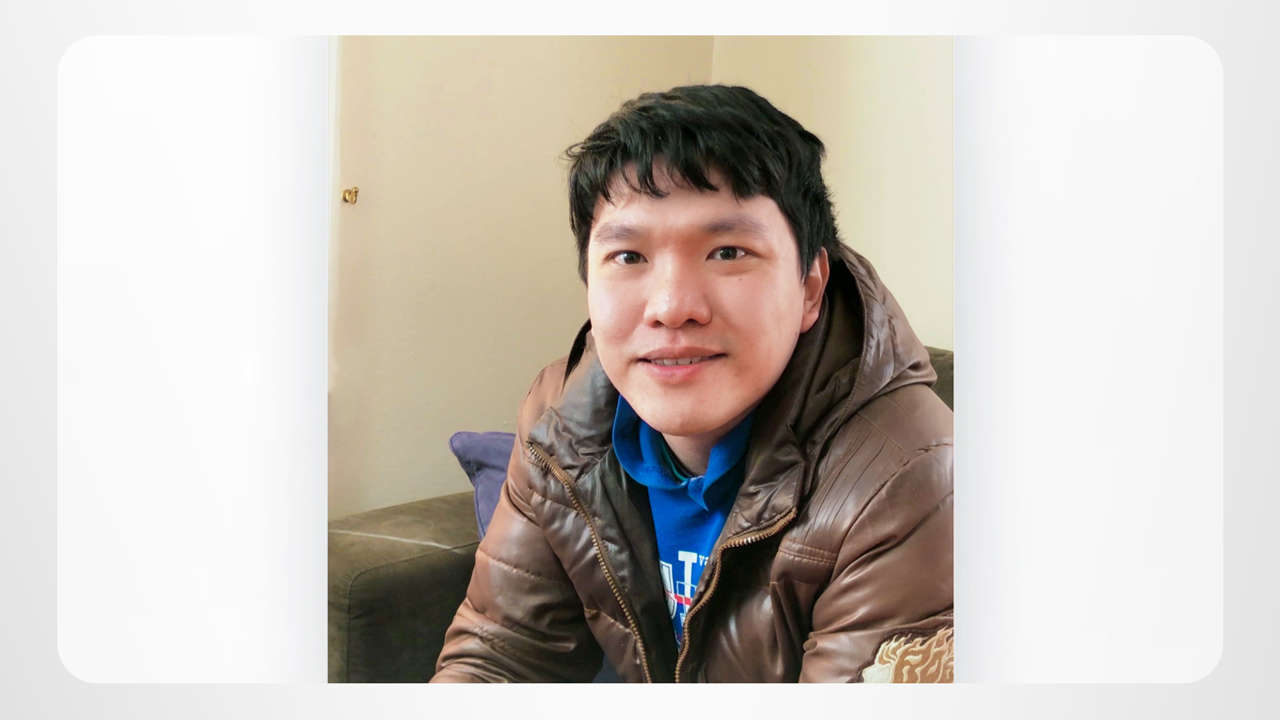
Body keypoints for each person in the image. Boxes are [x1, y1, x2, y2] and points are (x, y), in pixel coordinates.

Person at [431, 85, 953, 683]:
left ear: (810, 287)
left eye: (728, 252)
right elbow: (500, 654)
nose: (672, 307)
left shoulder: (911, 480)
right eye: (629, 257)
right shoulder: (561, 422)